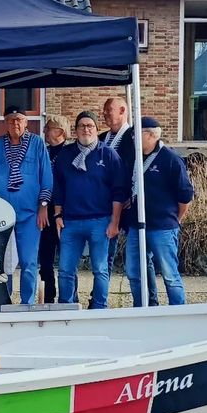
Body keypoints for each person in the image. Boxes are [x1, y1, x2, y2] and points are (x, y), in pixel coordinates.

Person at [52, 110, 127, 311]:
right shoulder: (65, 155)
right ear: (76, 130)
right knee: (66, 270)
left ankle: (99, 307)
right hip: (70, 222)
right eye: (82, 126)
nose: (86, 129)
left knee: (100, 269)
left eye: (90, 126)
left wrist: (115, 222)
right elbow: (58, 187)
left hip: (101, 221)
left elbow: (119, 191)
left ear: (95, 129)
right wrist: (58, 214)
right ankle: (66, 308)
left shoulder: (108, 154)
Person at [0, 105, 53, 306]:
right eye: (11, 120)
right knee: (4, 262)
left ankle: (27, 303)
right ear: (5, 122)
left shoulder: (37, 144)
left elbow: (46, 176)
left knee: (29, 261)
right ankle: (4, 301)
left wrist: (43, 206)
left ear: (26, 122)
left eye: (19, 119)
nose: (15, 124)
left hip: (30, 214)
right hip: (2, 214)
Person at [124, 118, 194, 308]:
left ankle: (178, 311)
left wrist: (174, 219)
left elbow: (185, 195)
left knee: (169, 274)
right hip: (136, 225)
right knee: (134, 271)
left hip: (162, 226)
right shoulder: (134, 157)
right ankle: (144, 307)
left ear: (152, 135)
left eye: (137, 133)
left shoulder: (171, 159)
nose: (133, 138)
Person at [101, 95, 136, 272]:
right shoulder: (101, 138)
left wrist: (131, 194)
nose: (105, 115)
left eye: (109, 111)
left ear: (122, 111)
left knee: (139, 258)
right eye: (104, 112)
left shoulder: (134, 138)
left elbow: (140, 167)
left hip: (129, 205)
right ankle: (100, 298)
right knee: (104, 256)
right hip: (106, 204)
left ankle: (149, 299)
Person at [38, 115, 70, 304]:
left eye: (48, 127)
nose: (44, 131)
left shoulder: (71, 153)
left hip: (65, 214)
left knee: (67, 260)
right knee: (46, 259)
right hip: (45, 212)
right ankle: (48, 297)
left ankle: (68, 297)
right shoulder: (43, 152)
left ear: (61, 132)